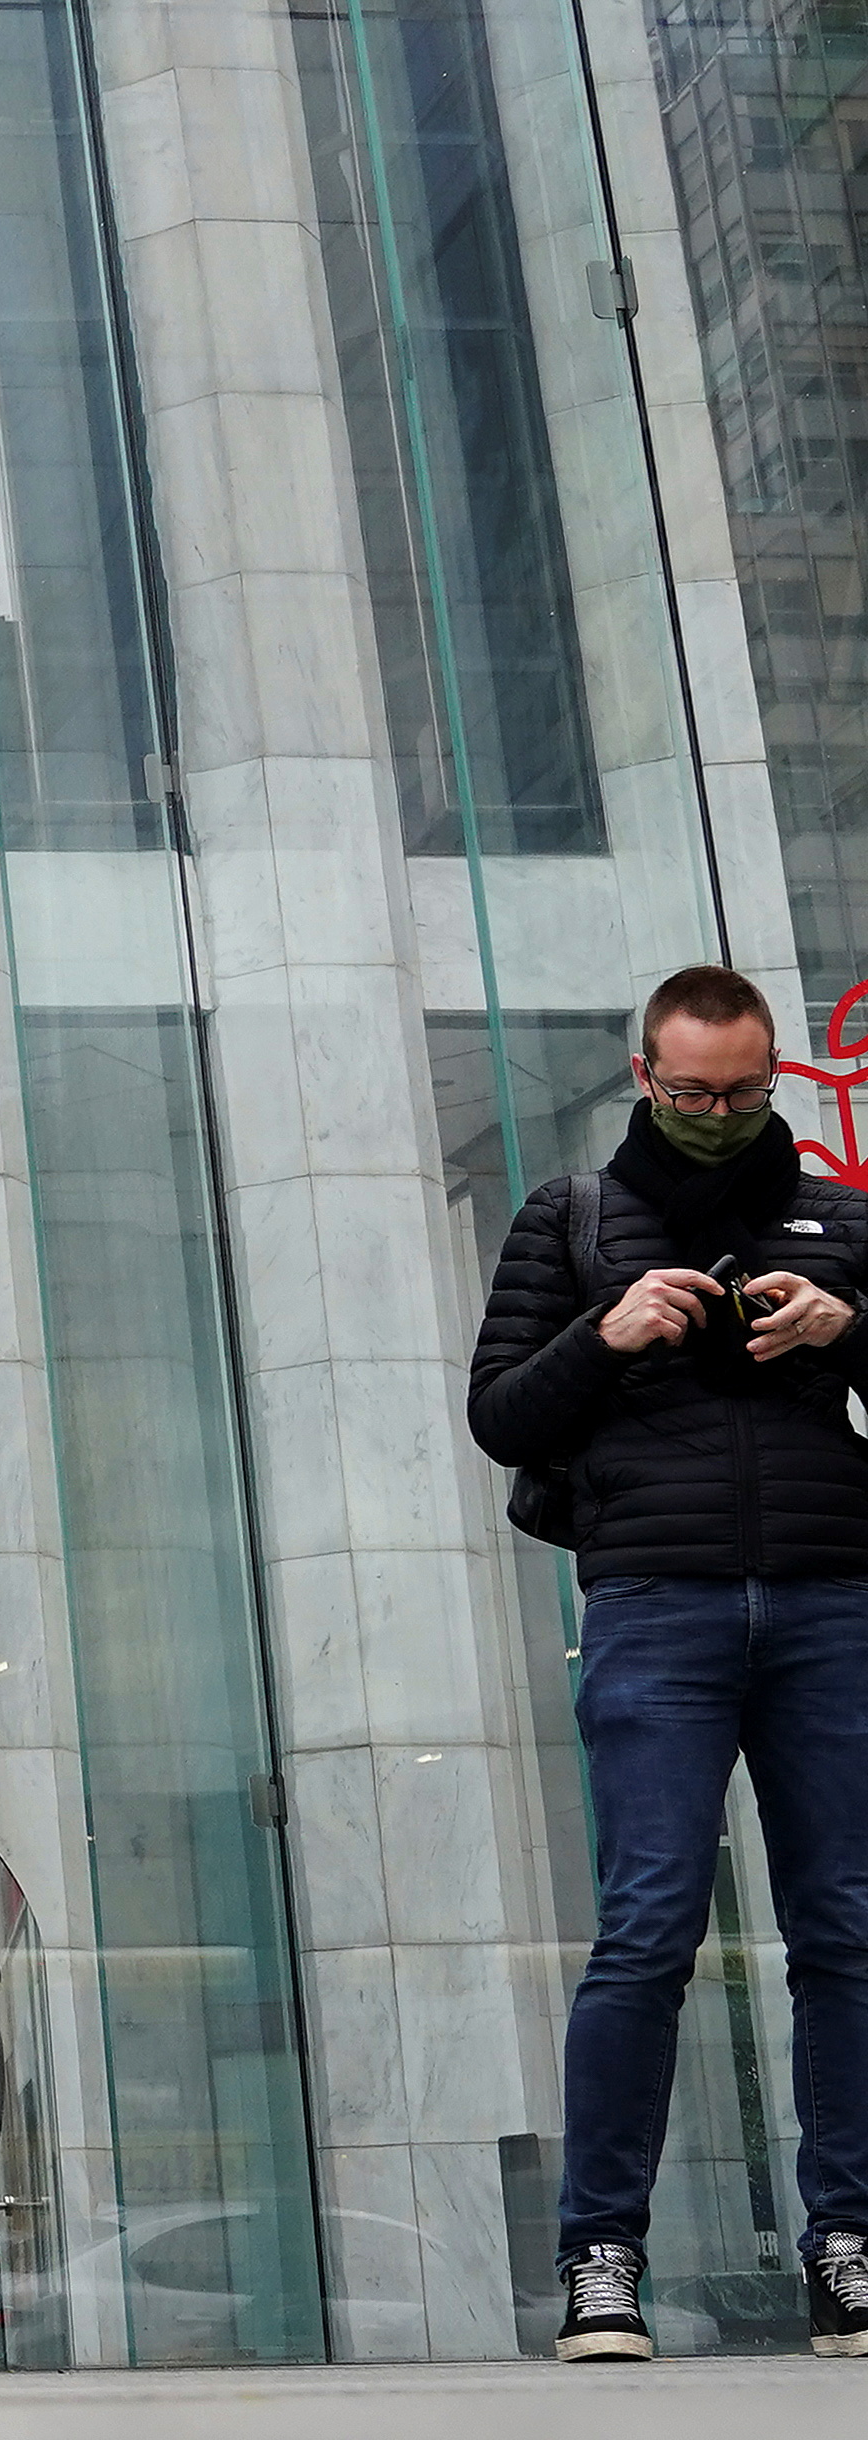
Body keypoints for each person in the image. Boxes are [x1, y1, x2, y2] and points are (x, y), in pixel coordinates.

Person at [469, 962, 868, 2365]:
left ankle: (846, 2243)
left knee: (844, 1927)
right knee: (644, 1930)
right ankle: (599, 2257)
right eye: (689, 1090)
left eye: (743, 1091)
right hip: (652, 1604)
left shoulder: (841, 1219)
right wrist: (607, 1326)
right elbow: (499, 1415)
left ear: (774, 1075)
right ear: (640, 1072)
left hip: (830, 1600)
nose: (714, 1112)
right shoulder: (568, 1216)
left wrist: (843, 1323)